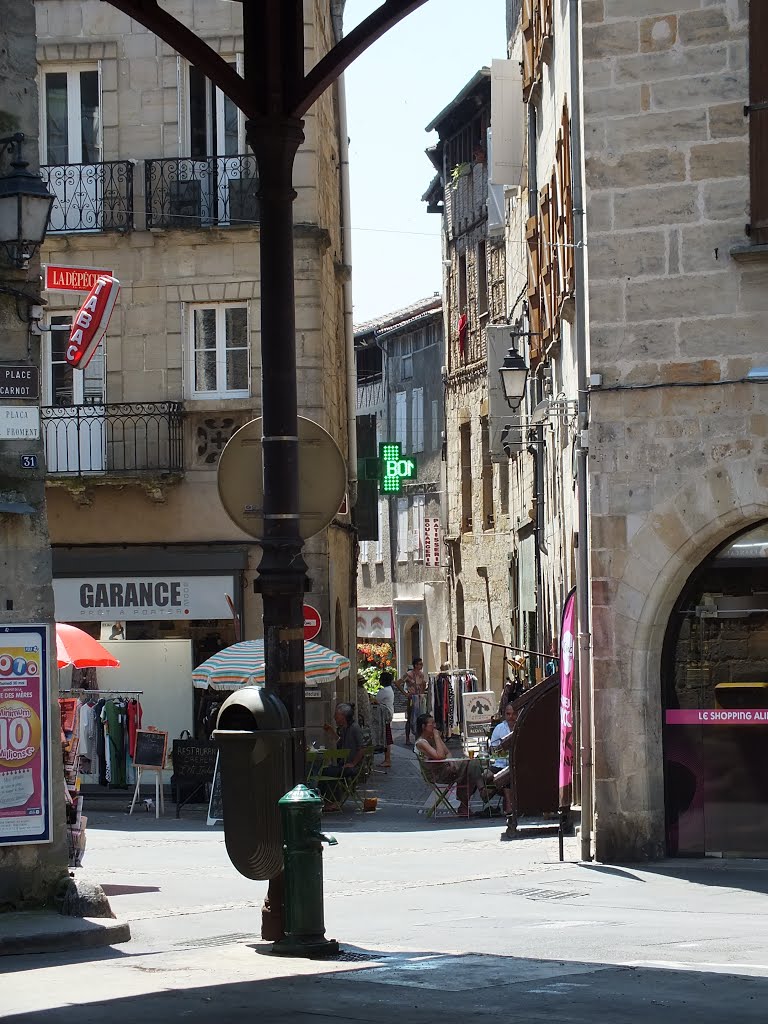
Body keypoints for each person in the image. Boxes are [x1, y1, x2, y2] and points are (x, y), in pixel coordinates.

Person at [414, 712, 490, 817]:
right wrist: (437, 737)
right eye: (432, 724)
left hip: (447, 769)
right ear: (423, 726)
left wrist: (450, 761)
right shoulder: (421, 743)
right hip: (437, 774)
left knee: (472, 765)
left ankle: (467, 804)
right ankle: (481, 792)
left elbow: (447, 752)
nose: (435, 726)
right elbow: (440, 756)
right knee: (472, 763)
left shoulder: (432, 738)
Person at [320, 702, 365, 810]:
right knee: (324, 770)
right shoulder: (345, 729)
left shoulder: (355, 728)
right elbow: (341, 743)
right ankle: (326, 800)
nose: (334, 717)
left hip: (352, 766)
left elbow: (362, 748)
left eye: (336, 715)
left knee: (330, 772)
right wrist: (331, 732)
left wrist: (353, 763)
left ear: (343, 716)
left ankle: (334, 801)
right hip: (344, 764)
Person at [489, 703, 518, 814]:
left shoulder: (521, 726)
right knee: (505, 773)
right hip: (501, 764)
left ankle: (509, 806)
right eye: (508, 714)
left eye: (514, 714)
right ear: (504, 715)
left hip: (518, 764)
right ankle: (509, 806)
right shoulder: (499, 728)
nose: (511, 717)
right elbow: (493, 750)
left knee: (510, 771)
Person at [396, 657, 426, 746]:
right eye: (420, 664)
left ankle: (418, 736)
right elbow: (397, 683)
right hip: (412, 698)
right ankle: (407, 738)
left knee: (419, 717)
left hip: (419, 698)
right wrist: (405, 693)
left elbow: (423, 685)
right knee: (409, 718)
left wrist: (422, 692)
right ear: (415, 665)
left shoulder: (421, 674)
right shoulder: (408, 674)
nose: (421, 665)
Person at [372, 671, 395, 768]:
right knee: (387, 737)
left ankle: (387, 759)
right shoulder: (389, 689)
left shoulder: (384, 691)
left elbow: (376, 701)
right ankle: (387, 759)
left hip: (384, 716)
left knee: (386, 738)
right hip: (388, 714)